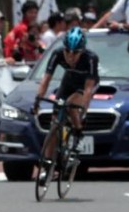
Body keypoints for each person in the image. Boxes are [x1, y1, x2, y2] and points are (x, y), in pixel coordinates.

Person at [32, 27, 99, 177]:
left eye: (76, 52)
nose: (70, 56)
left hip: (85, 86)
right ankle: (48, 166)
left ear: (82, 50)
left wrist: (84, 112)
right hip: (68, 83)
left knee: (70, 104)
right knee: (54, 124)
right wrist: (37, 100)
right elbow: (46, 80)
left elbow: (88, 90)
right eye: (67, 51)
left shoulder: (90, 58)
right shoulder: (57, 54)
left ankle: (78, 134)